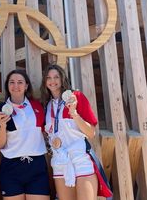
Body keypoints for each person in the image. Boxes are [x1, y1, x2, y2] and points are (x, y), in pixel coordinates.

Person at [40, 64, 112, 200]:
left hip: (80, 159)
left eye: (56, 77)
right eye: (48, 78)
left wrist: (74, 113)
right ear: (45, 82)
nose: (52, 80)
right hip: (59, 162)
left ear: (62, 79)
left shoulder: (76, 97)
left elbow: (91, 133)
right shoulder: (47, 105)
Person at [0, 69, 50, 200]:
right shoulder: (0, 110)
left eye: (20, 82)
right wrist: (2, 126)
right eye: (12, 82)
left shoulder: (38, 106)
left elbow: (45, 131)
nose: (16, 86)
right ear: (7, 85)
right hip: (11, 167)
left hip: (37, 166)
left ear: (26, 85)